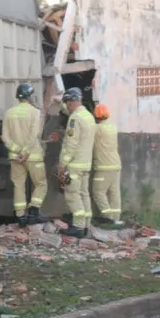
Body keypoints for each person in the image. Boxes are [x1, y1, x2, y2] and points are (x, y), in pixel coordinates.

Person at [1, 83, 47, 226]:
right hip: (33, 156)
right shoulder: (35, 112)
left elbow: (5, 137)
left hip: (15, 157)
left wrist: (17, 150)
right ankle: (33, 211)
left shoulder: (8, 113)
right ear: (30, 96)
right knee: (41, 184)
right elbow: (34, 135)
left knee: (18, 185)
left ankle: (20, 216)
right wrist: (25, 152)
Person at [57, 87, 96, 237]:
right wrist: (60, 104)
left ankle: (78, 227)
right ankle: (86, 225)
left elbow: (71, 144)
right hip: (86, 164)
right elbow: (71, 113)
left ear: (72, 101)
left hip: (74, 164)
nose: (66, 106)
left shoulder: (74, 119)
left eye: (67, 103)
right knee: (84, 194)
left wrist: (63, 163)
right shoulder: (88, 116)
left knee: (72, 195)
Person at [91, 104, 123, 226]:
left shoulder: (98, 129)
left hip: (104, 167)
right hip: (116, 165)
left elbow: (85, 128)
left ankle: (108, 217)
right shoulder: (112, 127)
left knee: (98, 192)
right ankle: (116, 219)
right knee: (114, 193)